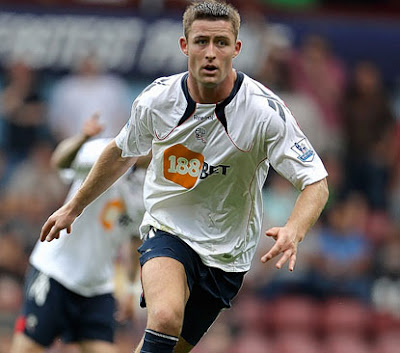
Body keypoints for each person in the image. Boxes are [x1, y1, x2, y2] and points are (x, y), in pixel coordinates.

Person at [39, 1, 329, 352]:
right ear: (184, 45)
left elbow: (315, 181)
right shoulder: (157, 101)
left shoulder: (264, 112)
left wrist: (293, 230)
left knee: (167, 347)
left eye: (221, 43)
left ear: (236, 49)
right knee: (164, 317)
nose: (210, 53)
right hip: (168, 229)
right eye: (201, 41)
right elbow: (120, 153)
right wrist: (75, 206)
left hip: (227, 254)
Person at [10, 114, 149, 353]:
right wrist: (82, 138)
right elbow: (60, 162)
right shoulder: (105, 151)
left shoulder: (151, 188)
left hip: (97, 285)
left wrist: (129, 288)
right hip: (55, 272)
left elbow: (135, 238)